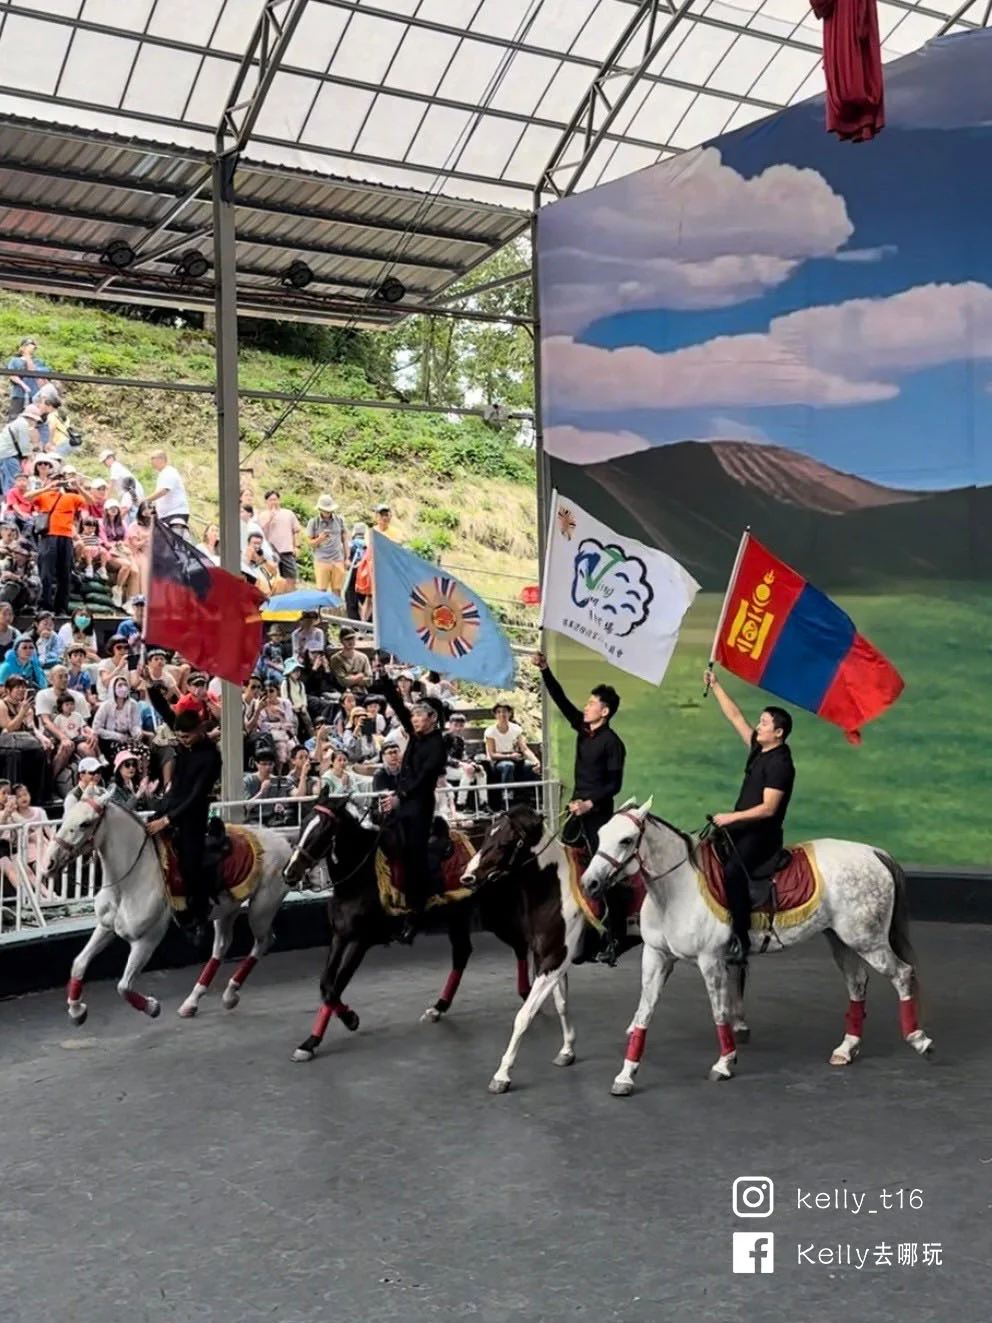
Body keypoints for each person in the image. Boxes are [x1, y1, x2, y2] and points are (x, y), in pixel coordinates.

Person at [533, 651, 627, 960]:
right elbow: (560, 699)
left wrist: (589, 803)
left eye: (591, 704)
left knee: (605, 875)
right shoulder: (584, 731)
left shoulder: (613, 743)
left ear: (605, 711)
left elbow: (614, 785)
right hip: (576, 811)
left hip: (597, 814)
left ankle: (615, 938)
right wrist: (545, 669)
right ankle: (572, 930)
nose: (586, 707)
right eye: (587, 703)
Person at [703, 668, 796, 967]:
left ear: (778, 732)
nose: (758, 726)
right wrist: (715, 686)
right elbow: (736, 718)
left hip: (762, 834)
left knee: (732, 871)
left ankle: (740, 939)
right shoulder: (759, 750)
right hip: (742, 826)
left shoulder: (781, 764)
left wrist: (731, 818)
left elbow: (769, 809)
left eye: (765, 723)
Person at [376, 666, 448, 943]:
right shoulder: (415, 736)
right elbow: (397, 705)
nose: (414, 718)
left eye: (420, 715)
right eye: (414, 715)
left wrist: (400, 797)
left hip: (418, 807)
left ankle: (416, 914)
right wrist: (383, 678)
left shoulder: (437, 745)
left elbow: (423, 778)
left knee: (413, 859)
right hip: (401, 802)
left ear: (431, 719)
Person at [145, 709, 223, 942]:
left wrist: (167, 821)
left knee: (191, 865)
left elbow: (197, 796)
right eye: (179, 737)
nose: (182, 741)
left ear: (199, 731)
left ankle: (198, 917)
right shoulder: (183, 743)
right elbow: (167, 713)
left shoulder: (211, 757)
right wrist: (149, 685)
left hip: (193, 816)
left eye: (186, 737)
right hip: (169, 806)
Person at [258, 489, 300, 590]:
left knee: (291, 577)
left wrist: (297, 547)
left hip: (287, 550)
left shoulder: (288, 513)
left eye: (276, 499)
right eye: (271, 500)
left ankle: (290, 599)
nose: (274, 502)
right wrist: (270, 518)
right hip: (270, 553)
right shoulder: (262, 515)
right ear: (266, 502)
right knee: (274, 580)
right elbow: (260, 532)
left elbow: (296, 531)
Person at [306, 494, 347, 594]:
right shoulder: (313, 522)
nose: (327, 512)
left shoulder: (339, 520)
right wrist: (320, 539)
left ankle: (336, 609)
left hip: (337, 559)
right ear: (320, 509)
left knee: (337, 589)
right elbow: (309, 543)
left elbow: (345, 539)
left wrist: (347, 557)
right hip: (322, 560)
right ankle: (321, 609)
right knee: (321, 590)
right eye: (325, 510)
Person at [147, 449, 190, 529]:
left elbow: (164, 490)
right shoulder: (162, 474)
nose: (151, 461)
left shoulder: (169, 472)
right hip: (165, 515)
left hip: (175, 514)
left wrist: (146, 500)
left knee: (173, 539)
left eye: (153, 458)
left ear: (161, 459)